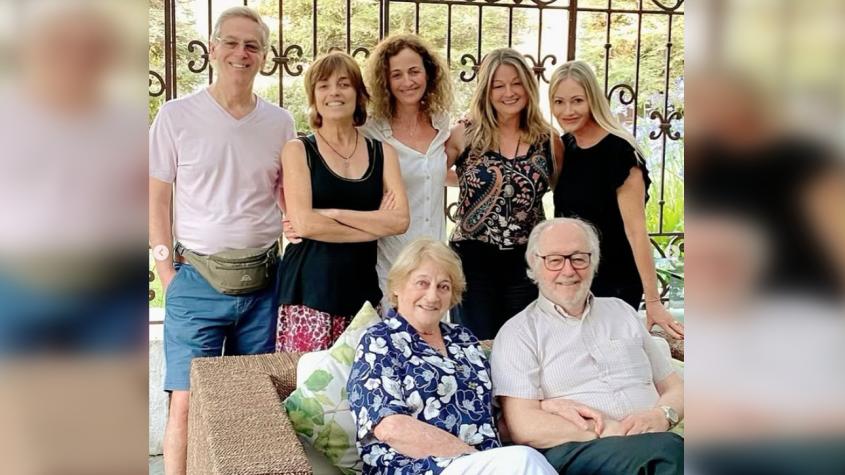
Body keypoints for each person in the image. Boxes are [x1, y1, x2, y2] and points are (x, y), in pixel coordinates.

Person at [149, 7, 296, 475]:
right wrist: (166, 273)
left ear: (265, 57)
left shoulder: (280, 123)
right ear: (212, 49)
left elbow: (287, 194)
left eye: (252, 45)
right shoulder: (176, 116)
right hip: (195, 280)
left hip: (264, 282)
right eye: (231, 42)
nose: (241, 53)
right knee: (186, 401)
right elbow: (156, 199)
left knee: (257, 404)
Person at [491, 218, 684, 475]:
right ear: (535, 264)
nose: (568, 270)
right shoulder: (519, 333)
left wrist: (663, 415)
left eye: (579, 258)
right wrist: (607, 429)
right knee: (669, 452)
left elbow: (675, 387)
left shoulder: (622, 312)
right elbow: (524, 425)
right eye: (554, 260)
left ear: (593, 262)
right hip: (577, 449)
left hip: (654, 441)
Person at [348, 238, 557, 475]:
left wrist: (549, 408)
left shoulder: (463, 340)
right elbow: (391, 428)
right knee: (523, 460)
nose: (432, 296)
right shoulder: (380, 341)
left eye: (443, 287)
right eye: (422, 283)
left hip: (482, 465)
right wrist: (476, 458)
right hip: (414, 467)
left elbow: (493, 421)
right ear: (398, 286)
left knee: (527, 459)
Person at [277, 51, 409, 352]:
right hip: (309, 292)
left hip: (362, 291)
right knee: (310, 379)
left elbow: (400, 221)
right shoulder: (298, 150)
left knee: (366, 376)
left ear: (359, 93)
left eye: (344, 84)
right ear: (314, 97)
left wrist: (333, 213)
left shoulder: (383, 153)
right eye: (323, 85)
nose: (334, 92)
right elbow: (305, 224)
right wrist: (373, 227)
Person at [548, 61, 683, 338]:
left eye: (577, 101)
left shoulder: (619, 152)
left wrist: (653, 301)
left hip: (614, 281)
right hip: (572, 279)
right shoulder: (565, 146)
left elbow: (636, 231)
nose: (567, 110)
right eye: (559, 102)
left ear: (593, 100)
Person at [444, 48, 563, 340]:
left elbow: (565, 193)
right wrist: (466, 181)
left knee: (523, 347)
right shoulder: (465, 134)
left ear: (528, 86)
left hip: (528, 261)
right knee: (477, 346)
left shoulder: (548, 140)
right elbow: (426, 175)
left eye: (516, 83)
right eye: (498, 85)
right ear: (486, 90)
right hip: (473, 261)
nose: (508, 93)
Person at [360, 34, 453, 313]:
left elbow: (441, 172)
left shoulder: (442, 123)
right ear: (385, 81)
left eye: (414, 71)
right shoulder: (372, 131)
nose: (407, 81)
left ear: (428, 72)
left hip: (435, 257)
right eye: (396, 75)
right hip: (393, 256)